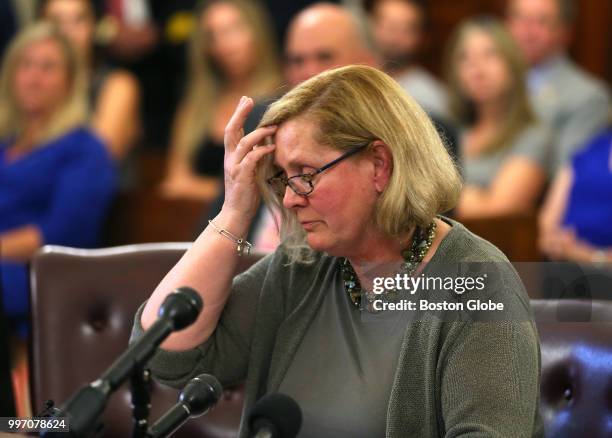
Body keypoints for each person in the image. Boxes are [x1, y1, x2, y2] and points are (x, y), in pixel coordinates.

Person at [132, 65, 542, 437]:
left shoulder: (477, 283)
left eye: (306, 175)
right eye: (282, 179)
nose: (290, 199)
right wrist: (235, 210)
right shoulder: (303, 268)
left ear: (379, 165)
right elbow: (167, 357)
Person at [0, 23, 116, 337]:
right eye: (25, 65)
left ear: (70, 80)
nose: (33, 77)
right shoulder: (5, 143)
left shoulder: (85, 149)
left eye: (48, 67)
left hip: (39, 278)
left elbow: (61, 234)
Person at [160, 0, 282, 201]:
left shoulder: (280, 100)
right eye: (213, 35)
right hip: (200, 221)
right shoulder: (196, 106)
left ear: (257, 31)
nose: (225, 44)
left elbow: (268, 185)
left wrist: (196, 187)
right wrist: (233, 189)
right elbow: (175, 182)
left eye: (234, 29)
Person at [445, 17, 552, 219]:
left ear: (513, 64)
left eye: (490, 54)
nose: (477, 68)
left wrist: (442, 194)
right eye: (465, 58)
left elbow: (496, 212)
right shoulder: (449, 130)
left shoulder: (533, 136)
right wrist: (472, 195)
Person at [506, 0, 611, 174]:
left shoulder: (589, 97)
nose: (526, 31)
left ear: (565, 32)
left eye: (541, 21)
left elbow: (567, 173)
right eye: (519, 18)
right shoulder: (487, 81)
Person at [42, 0, 141, 161]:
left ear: (94, 26)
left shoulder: (118, 84)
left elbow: (97, 159)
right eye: (56, 22)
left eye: (78, 20)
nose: (67, 32)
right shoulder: (30, 84)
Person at [539, 124, 612, 263]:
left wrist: (590, 257)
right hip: (561, 264)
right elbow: (546, 224)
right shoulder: (592, 149)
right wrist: (556, 243)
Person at [365, 0, 449, 120]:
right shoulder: (353, 80)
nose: (395, 37)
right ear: (372, 25)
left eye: (406, 29)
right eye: (390, 26)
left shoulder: (433, 98)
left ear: (422, 37)